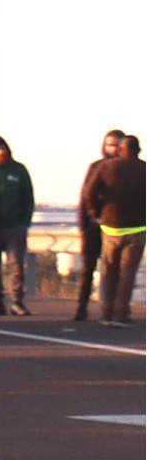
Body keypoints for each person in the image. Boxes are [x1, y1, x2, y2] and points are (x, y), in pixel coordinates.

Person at [82, 129, 146, 326]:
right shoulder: (144, 169)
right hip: (136, 228)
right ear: (138, 150)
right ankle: (121, 313)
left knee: (109, 270)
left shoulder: (107, 166)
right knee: (127, 273)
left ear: (120, 149)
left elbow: (88, 192)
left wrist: (95, 213)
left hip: (110, 227)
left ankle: (106, 312)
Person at [0, 134, 36, 314]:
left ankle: (17, 301)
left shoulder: (18, 170)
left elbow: (28, 197)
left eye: (2, 149)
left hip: (15, 227)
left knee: (17, 265)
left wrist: (24, 221)